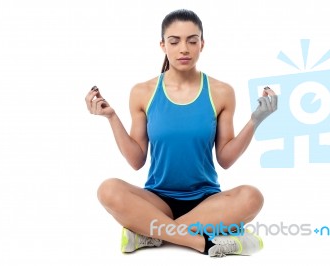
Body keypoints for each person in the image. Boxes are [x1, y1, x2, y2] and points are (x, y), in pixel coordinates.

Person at [85, 9, 277, 257]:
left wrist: (256, 120)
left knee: (252, 197)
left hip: (207, 202)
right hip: (157, 201)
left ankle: (149, 233)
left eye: (192, 40)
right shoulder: (143, 92)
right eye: (174, 41)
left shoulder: (221, 92)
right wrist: (111, 117)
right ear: (163, 45)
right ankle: (202, 242)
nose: (183, 48)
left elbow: (226, 159)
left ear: (202, 44)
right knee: (108, 189)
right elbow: (136, 160)